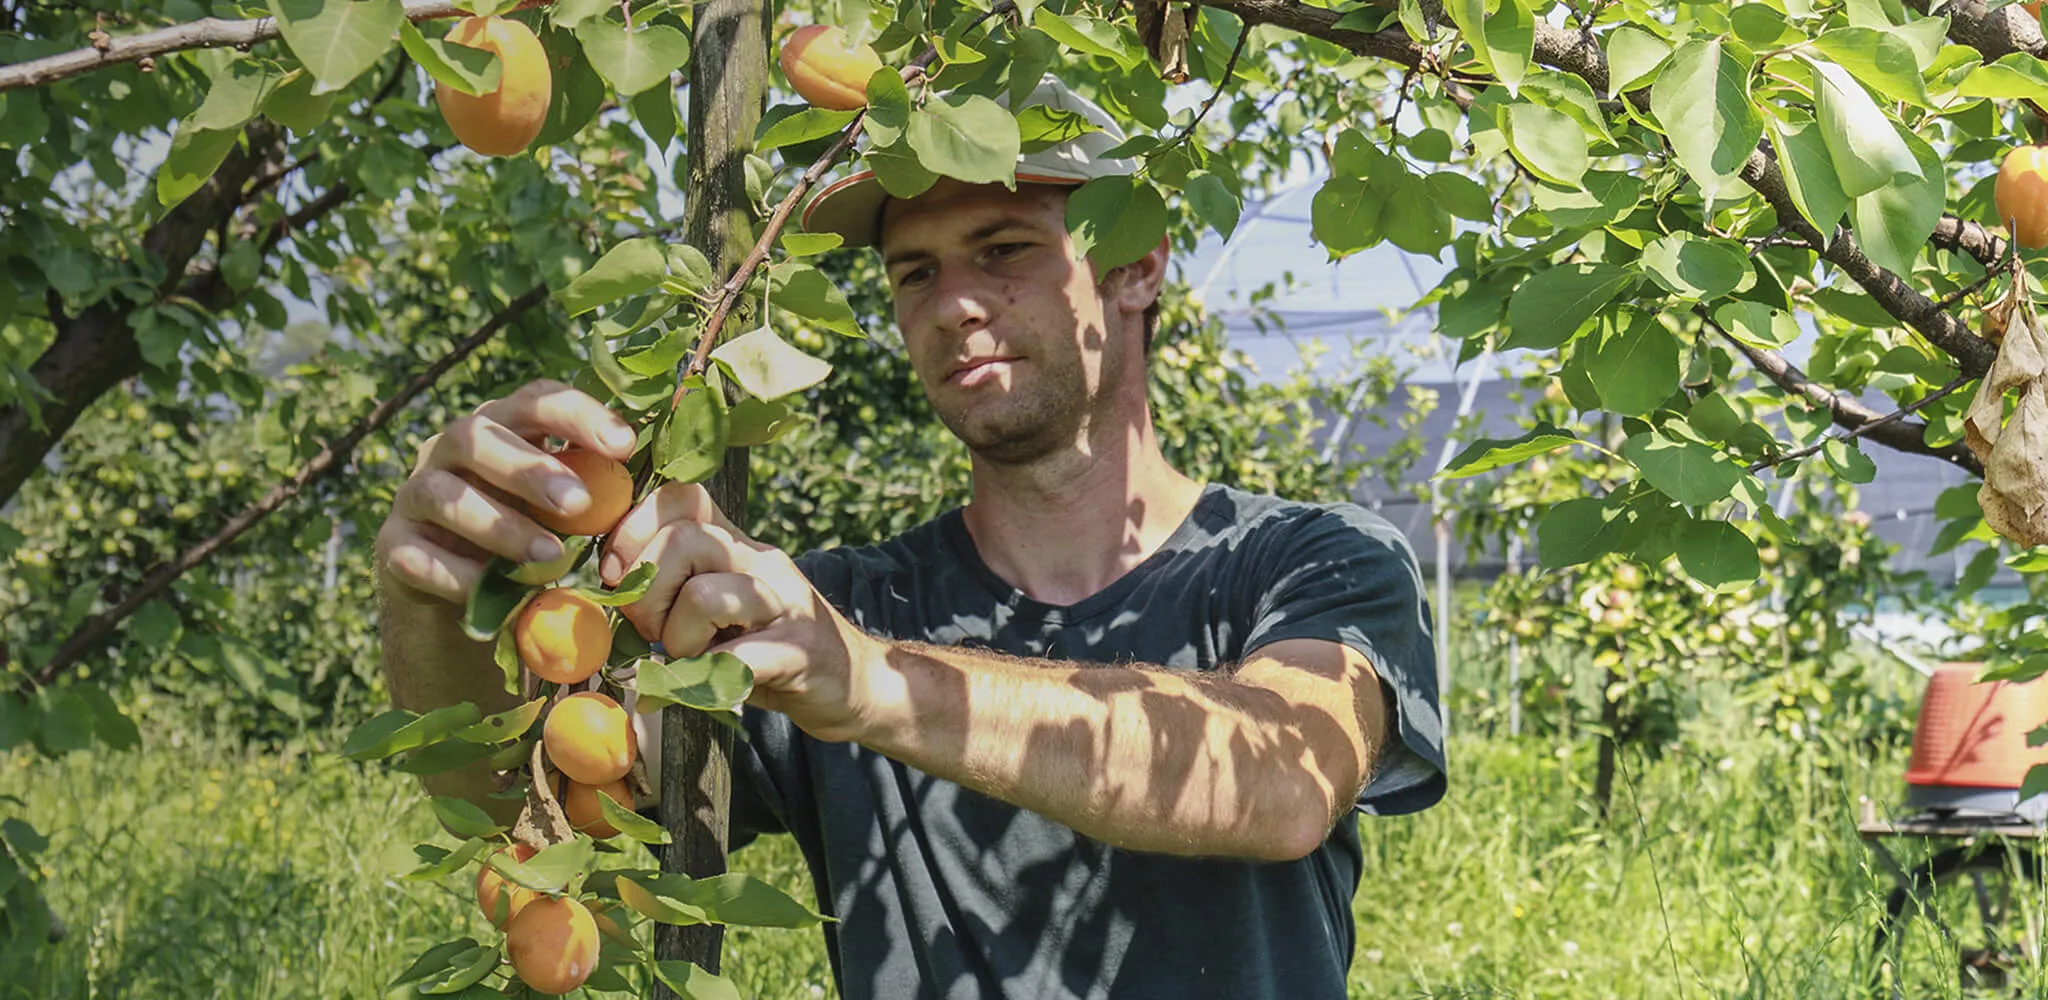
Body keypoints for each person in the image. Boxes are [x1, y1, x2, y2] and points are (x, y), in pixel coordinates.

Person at [371, 77, 1448, 999]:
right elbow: (532, 803)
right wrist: (432, 598)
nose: (953, 305)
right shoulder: (835, 609)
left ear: (1137, 266)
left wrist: (874, 687)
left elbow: (1280, 777)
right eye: (915, 271)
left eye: (1003, 247)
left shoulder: (1309, 560)